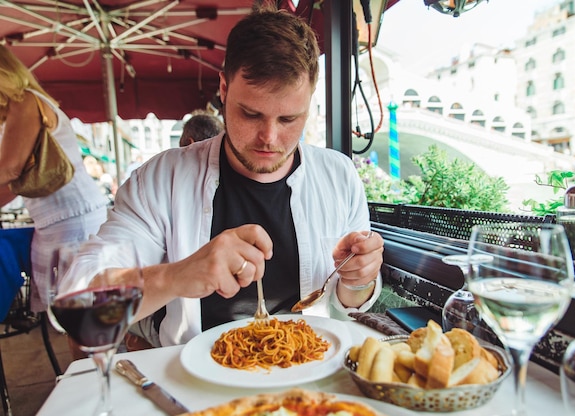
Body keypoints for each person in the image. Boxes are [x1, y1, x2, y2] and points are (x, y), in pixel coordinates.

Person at [69, 5, 384, 348]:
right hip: (191, 383)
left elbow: (348, 304)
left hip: (309, 372)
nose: (269, 137)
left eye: (289, 120)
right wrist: (177, 276)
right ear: (223, 88)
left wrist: (359, 280)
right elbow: (78, 309)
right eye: (250, 114)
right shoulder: (160, 180)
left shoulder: (338, 176)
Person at [0, 44, 109, 313]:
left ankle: (95, 356)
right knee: (77, 316)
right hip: (60, 222)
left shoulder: (25, 100)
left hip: (73, 221)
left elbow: (10, 169)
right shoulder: (19, 107)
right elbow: (19, 180)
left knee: (82, 316)